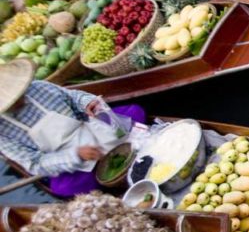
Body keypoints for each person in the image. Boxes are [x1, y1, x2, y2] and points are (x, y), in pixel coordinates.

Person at [0, 59, 143, 196]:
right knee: (65, 188)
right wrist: (76, 156)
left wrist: (88, 103)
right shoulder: (2, 134)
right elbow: (35, 164)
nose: (18, 100)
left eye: (18, 95)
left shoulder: (38, 87)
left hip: (88, 127)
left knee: (134, 112)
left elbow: (73, 97)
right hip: (64, 158)